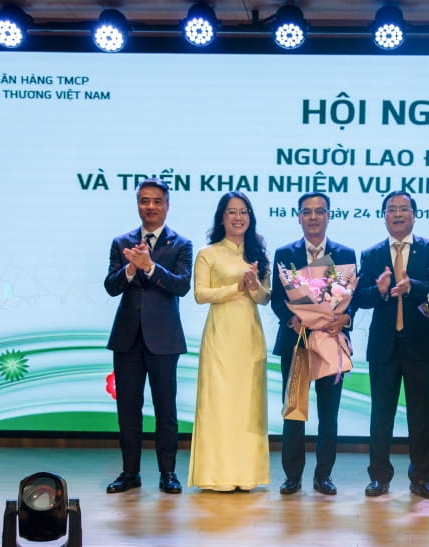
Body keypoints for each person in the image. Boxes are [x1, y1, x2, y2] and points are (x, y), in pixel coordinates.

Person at [354, 191, 429, 500]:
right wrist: (379, 290)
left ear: (414, 215)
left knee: (421, 417)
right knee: (381, 416)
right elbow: (359, 297)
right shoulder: (371, 254)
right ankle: (379, 477)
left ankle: (421, 478)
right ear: (384, 216)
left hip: (420, 346)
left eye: (403, 209)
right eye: (391, 209)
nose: (397, 214)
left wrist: (413, 287)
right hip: (383, 347)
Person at [104, 178, 193, 495]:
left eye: (157, 201)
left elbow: (181, 286)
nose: (150, 207)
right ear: (138, 204)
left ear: (167, 205)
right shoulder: (121, 242)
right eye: (144, 201)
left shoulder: (181, 244)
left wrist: (150, 267)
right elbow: (111, 286)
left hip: (164, 340)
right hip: (127, 338)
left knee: (165, 410)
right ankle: (130, 472)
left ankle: (168, 473)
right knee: (128, 410)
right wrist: (131, 269)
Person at [271, 192, 357, 496]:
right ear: (299, 217)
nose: (313, 217)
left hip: (330, 342)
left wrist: (344, 318)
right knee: (294, 410)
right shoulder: (285, 253)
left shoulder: (345, 253)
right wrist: (292, 320)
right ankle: (292, 476)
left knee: (328, 414)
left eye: (319, 211)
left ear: (328, 216)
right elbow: (278, 300)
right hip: (296, 343)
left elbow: (352, 298)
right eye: (307, 212)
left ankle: (324, 476)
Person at [187, 191, 272, 492]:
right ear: (221, 218)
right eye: (232, 212)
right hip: (220, 336)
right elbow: (200, 295)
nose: (238, 217)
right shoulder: (208, 253)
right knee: (219, 403)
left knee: (248, 405)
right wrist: (236, 287)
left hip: (249, 335)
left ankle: (247, 475)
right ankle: (216, 475)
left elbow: (264, 298)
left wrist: (254, 285)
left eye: (244, 211)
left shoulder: (258, 253)